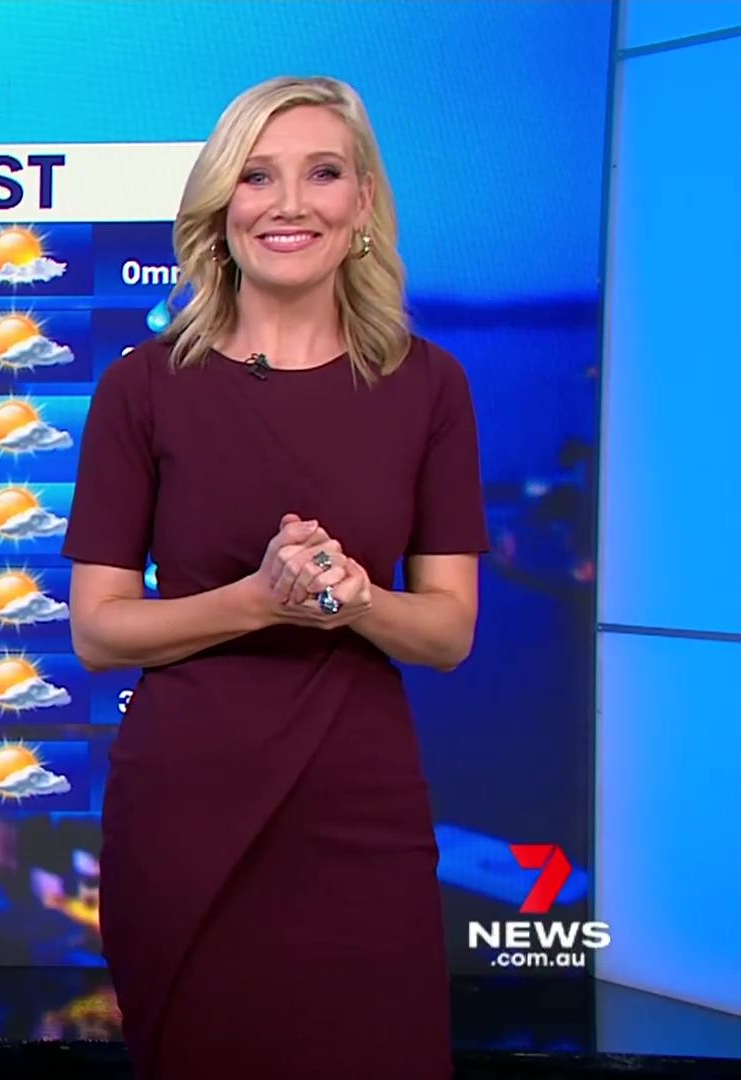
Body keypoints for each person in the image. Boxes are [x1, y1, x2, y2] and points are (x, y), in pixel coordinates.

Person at [62, 75, 488, 1079]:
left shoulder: (430, 385)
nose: (288, 203)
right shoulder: (142, 387)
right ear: (222, 206)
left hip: (359, 807)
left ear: (364, 202)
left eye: (322, 173)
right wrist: (258, 600)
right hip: (185, 809)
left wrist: (358, 600)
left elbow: (449, 633)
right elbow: (98, 631)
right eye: (257, 176)